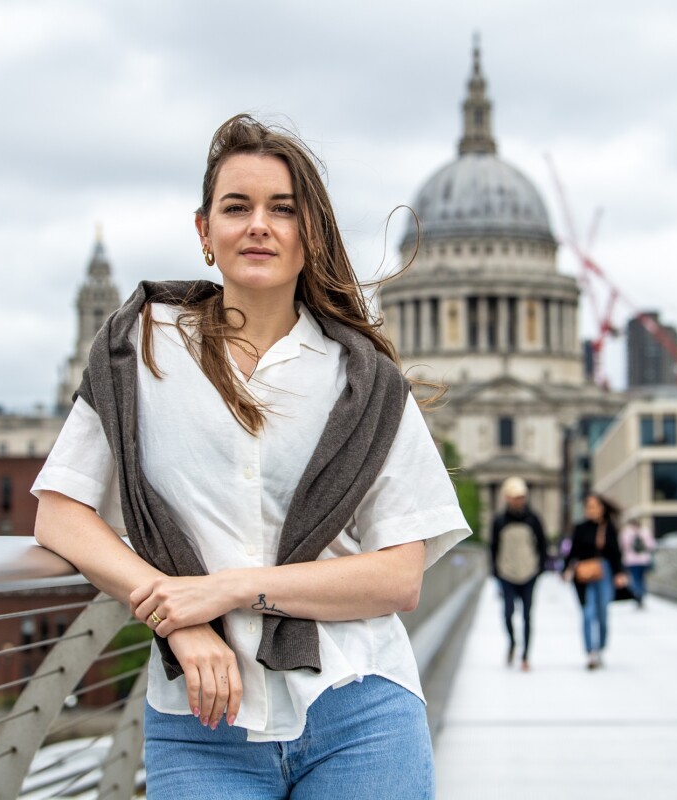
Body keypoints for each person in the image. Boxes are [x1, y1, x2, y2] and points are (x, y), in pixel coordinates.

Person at [31, 114, 470, 799]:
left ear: (310, 236)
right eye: (236, 207)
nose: (258, 224)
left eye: (282, 209)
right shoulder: (137, 350)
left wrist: (229, 589)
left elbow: (400, 578)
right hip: (200, 720)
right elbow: (60, 515)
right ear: (205, 233)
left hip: (358, 705)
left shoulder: (367, 382)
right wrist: (178, 621)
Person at [561, 493, 629, 670]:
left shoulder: (609, 528)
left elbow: (616, 553)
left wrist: (620, 573)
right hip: (583, 574)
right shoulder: (580, 528)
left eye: (594, 506)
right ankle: (590, 651)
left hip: (604, 572)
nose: (590, 510)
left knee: (602, 613)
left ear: (602, 508)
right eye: (588, 506)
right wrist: (565, 569)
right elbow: (573, 551)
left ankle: (600, 648)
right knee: (587, 613)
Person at [489, 476, 548, 672]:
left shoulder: (534, 519)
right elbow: (494, 547)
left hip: (529, 573)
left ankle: (525, 656)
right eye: (515, 497)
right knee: (507, 613)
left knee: (527, 615)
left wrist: (539, 568)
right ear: (507, 498)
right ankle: (513, 642)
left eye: (521, 497)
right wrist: (495, 571)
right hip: (506, 573)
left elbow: (542, 544)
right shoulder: (499, 521)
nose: (519, 500)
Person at [619, 515, 656, 608]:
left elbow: (622, 546)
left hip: (631, 561)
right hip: (644, 560)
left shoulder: (626, 532)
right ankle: (641, 594)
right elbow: (651, 545)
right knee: (642, 578)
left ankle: (638, 595)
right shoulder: (645, 531)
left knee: (635, 578)